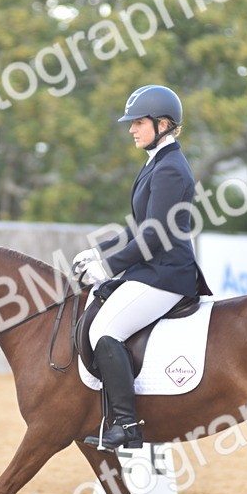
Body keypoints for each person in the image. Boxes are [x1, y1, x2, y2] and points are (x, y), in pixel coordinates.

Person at [73, 84, 213, 451]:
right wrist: (98, 254)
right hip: (150, 270)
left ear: (162, 124)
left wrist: (109, 267)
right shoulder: (157, 163)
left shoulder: (170, 170)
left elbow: (155, 235)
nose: (132, 129)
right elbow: (137, 227)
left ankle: (127, 424)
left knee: (106, 330)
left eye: (138, 123)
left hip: (166, 275)